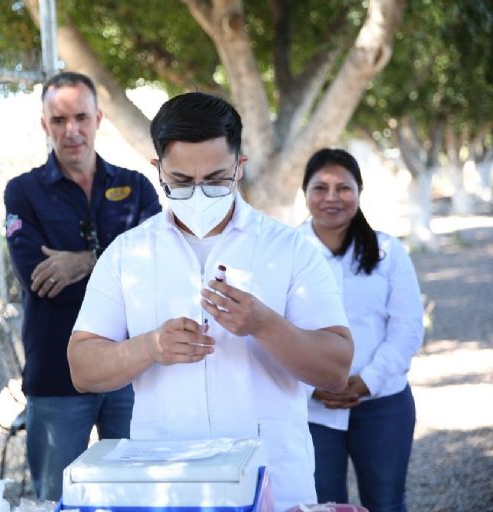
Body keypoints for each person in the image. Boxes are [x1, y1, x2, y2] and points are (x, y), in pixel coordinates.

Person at [67, 92, 355, 512]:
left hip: (273, 484)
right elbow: (81, 367)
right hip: (168, 488)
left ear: (240, 167)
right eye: (182, 182)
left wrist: (263, 324)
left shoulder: (290, 250)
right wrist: (148, 347)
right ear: (158, 170)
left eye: (216, 179)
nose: (199, 193)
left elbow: (336, 369)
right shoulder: (127, 254)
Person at [4, 71, 161, 500]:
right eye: (58, 120)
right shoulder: (23, 192)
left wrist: (85, 261)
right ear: (44, 125)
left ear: (98, 118)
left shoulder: (137, 187)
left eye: (80, 117)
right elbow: (38, 279)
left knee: (139, 497)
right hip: (57, 377)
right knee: (58, 499)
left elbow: (154, 270)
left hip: (132, 371)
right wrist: (117, 266)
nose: (71, 130)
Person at [299, 148, 424, 512]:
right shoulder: (286, 252)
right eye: (320, 187)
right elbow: (272, 333)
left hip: (383, 403)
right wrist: (313, 383)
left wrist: (367, 380)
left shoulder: (388, 251)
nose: (332, 197)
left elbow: (407, 327)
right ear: (304, 193)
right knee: (320, 505)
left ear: (359, 191)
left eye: (344, 187)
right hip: (311, 409)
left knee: (385, 502)